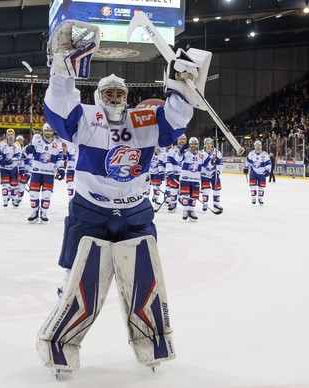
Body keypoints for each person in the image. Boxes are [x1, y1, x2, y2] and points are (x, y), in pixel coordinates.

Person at [37, 20, 209, 373]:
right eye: (108, 94)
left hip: (135, 214)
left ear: (127, 99)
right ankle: (60, 345)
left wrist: (183, 85)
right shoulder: (85, 119)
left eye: (120, 94)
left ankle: (152, 344)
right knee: (76, 282)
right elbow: (58, 111)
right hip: (89, 213)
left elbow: (176, 120)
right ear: (98, 97)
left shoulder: (144, 120)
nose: (115, 98)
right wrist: (62, 72)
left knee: (145, 281)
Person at [25, 123, 65, 223]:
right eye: (46, 130)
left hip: (49, 173)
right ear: (43, 131)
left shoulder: (57, 143)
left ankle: (44, 213)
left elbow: (60, 157)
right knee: (33, 194)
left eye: (50, 131)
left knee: (47, 195)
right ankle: (34, 212)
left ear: (53, 132)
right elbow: (27, 153)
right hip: (36, 171)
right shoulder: (37, 139)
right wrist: (29, 148)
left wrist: (61, 169)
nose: (48, 133)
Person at [178, 137, 209, 221]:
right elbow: (178, 159)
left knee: (193, 196)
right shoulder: (186, 153)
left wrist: (214, 162)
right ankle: (185, 211)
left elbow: (208, 164)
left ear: (198, 145)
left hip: (195, 179)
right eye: (192, 144)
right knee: (185, 195)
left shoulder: (202, 154)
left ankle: (191, 211)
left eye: (195, 144)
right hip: (185, 178)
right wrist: (180, 152)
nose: (193, 146)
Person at [0, 128, 22, 207]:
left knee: (14, 185)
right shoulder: (2, 144)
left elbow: (18, 155)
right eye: (9, 134)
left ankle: (14, 199)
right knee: (5, 185)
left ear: (14, 135)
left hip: (13, 168)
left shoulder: (17, 144)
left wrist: (13, 160)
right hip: (4, 168)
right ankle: (5, 200)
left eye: (12, 134)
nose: (10, 136)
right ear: (6, 135)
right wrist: (1, 160)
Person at [243, 140, 271, 205]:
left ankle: (260, 198)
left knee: (262, 187)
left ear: (261, 146)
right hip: (253, 172)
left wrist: (267, 170)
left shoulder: (265, 154)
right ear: (254, 146)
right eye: (256, 145)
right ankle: (253, 198)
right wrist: (246, 167)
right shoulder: (251, 153)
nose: (258, 147)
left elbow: (268, 163)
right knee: (253, 186)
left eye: (259, 145)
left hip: (262, 173)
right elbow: (248, 161)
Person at [200, 137, 224, 213]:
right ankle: (205, 204)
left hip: (214, 174)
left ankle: (216, 204)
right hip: (204, 175)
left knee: (217, 190)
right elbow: (201, 164)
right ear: (204, 145)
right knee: (205, 191)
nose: (209, 145)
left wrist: (217, 172)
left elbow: (220, 164)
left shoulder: (217, 152)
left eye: (210, 143)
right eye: (207, 143)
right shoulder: (201, 153)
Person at [165, 134, 187, 212]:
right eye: (180, 139)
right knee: (173, 189)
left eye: (183, 139)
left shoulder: (189, 150)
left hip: (184, 174)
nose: (181, 141)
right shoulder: (173, 150)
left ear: (186, 141)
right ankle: (173, 203)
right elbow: (169, 162)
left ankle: (184, 201)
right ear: (177, 141)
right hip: (175, 173)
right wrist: (170, 172)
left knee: (184, 190)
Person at [14, 134, 30, 206]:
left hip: (26, 169)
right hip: (16, 169)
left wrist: (26, 170)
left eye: (21, 140)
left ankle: (19, 199)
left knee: (22, 185)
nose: (20, 142)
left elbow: (27, 159)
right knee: (15, 185)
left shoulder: (25, 149)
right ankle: (15, 198)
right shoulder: (14, 148)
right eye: (18, 140)